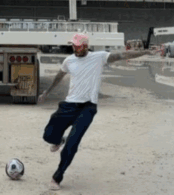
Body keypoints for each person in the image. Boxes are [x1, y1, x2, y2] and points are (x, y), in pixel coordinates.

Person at [38, 33, 155, 191]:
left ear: (85, 45)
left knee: (72, 143)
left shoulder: (99, 57)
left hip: (87, 108)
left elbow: (123, 55)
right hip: (69, 105)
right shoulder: (69, 60)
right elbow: (59, 77)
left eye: (77, 45)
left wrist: (146, 52)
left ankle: (57, 177)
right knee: (48, 135)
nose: (74, 48)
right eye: (73, 45)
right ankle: (58, 140)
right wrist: (47, 92)